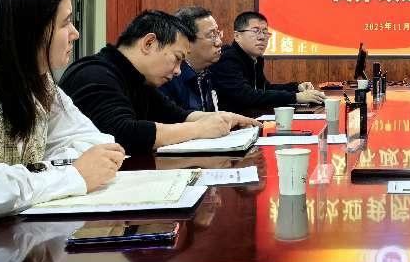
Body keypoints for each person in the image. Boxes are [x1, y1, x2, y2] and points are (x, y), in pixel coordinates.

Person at [0, 0, 125, 228]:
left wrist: (53, 172)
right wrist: (70, 176)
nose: (75, 33)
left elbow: (94, 143)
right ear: (26, 30)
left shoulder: (36, 80)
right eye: (65, 23)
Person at [60, 10, 260, 155]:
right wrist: (199, 129)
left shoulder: (138, 79)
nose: (178, 70)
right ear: (149, 43)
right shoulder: (94, 73)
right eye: (177, 58)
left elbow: (176, 115)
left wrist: (225, 117)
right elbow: (122, 133)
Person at [211, 11, 325, 112]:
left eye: (265, 32)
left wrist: (296, 87)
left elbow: (263, 88)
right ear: (237, 36)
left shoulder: (256, 58)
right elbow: (245, 95)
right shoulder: (227, 58)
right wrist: (296, 97)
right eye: (255, 31)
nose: (262, 37)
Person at [159, 6, 222, 112]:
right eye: (211, 35)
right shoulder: (167, 78)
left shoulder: (208, 72)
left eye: (218, 34)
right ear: (186, 41)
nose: (219, 42)